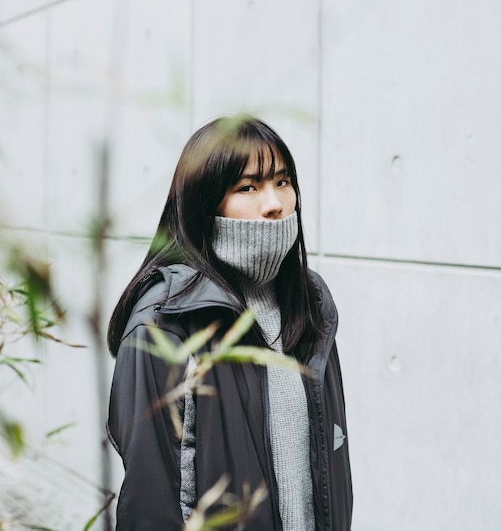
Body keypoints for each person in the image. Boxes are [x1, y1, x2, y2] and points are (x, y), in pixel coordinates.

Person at [107, 115, 352, 531]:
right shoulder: (165, 322)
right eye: (247, 187)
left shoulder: (309, 303)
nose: (274, 203)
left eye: (283, 181)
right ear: (206, 201)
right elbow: (151, 504)